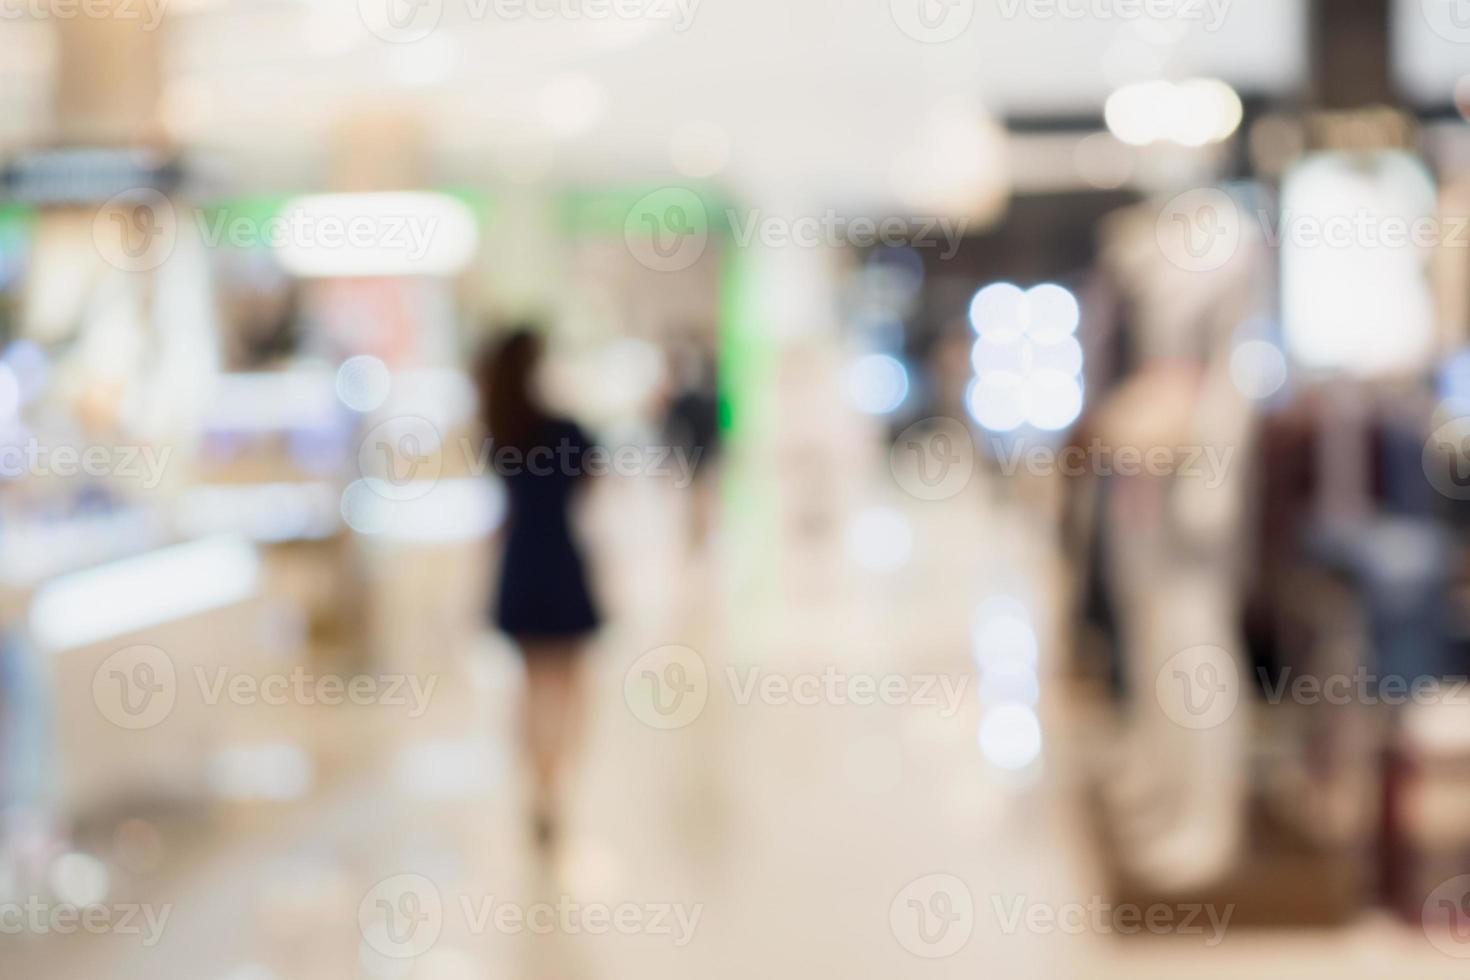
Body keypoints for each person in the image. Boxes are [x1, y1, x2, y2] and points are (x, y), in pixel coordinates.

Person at [474, 327, 600, 851]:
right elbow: (589, 482)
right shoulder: (564, 430)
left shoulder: (502, 427)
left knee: (529, 685)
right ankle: (556, 780)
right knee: (568, 684)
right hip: (560, 559)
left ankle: (538, 781)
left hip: (521, 562)